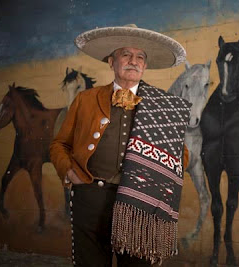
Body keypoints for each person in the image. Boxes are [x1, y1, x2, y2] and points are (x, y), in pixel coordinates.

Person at [50, 25, 191, 266]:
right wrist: (69, 173)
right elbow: (59, 144)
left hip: (142, 204)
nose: (133, 61)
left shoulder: (164, 106)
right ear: (111, 61)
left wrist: (158, 178)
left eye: (140, 57)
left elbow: (182, 155)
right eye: (126, 54)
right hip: (90, 199)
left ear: (145, 66)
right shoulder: (85, 99)